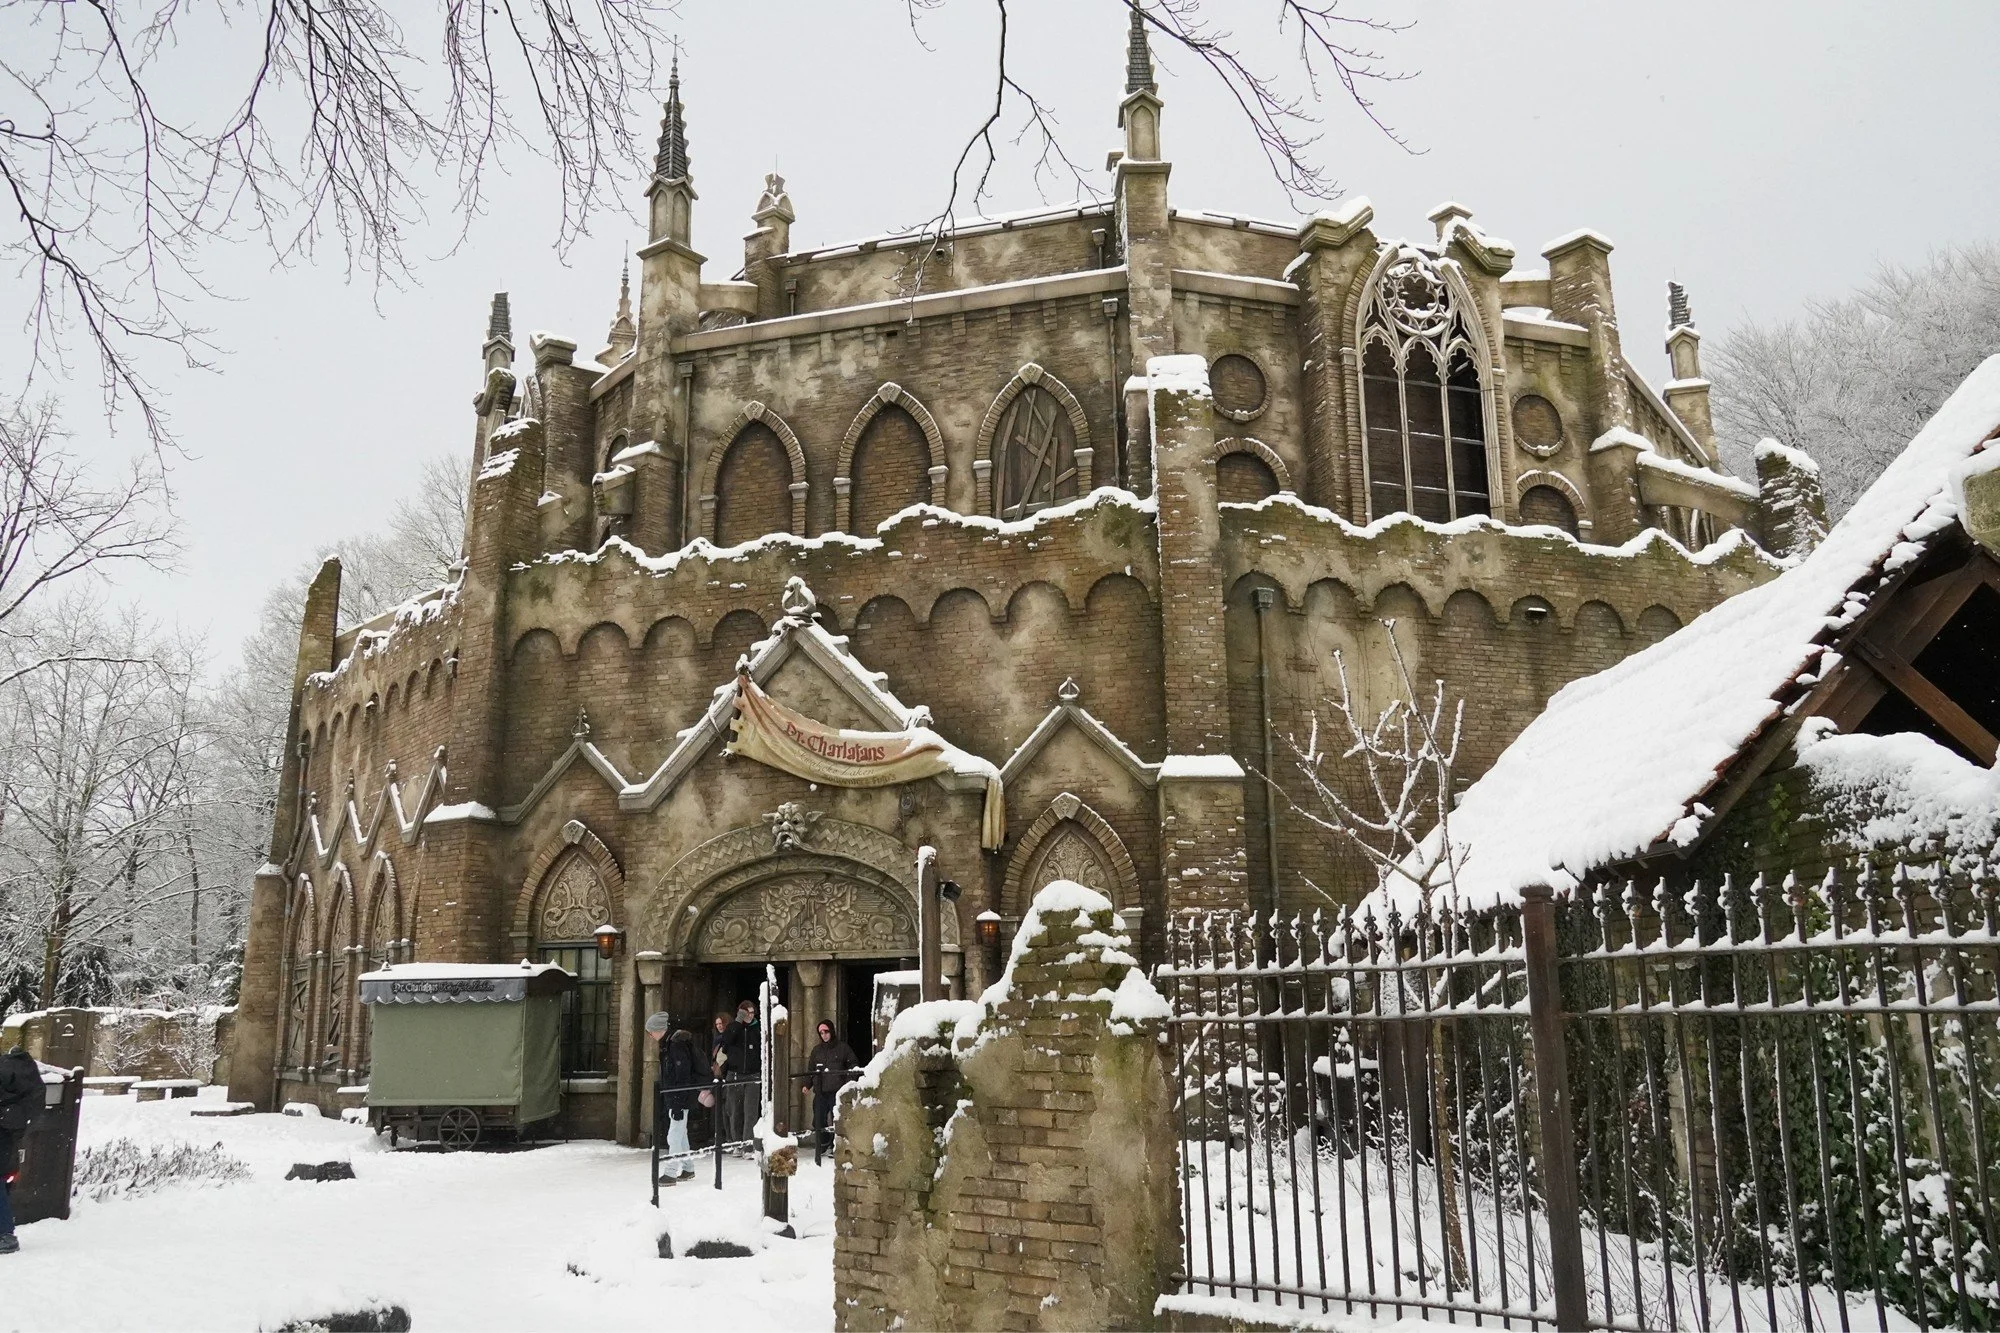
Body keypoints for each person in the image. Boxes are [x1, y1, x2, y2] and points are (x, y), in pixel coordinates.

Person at [0, 1044, 45, 1256]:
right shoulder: (21, 1076)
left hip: (4, 1131)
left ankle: (6, 1236)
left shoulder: (5, 1072)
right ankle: (6, 1233)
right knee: (2, 1182)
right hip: (9, 1134)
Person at [801, 1020, 858, 1161]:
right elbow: (811, 1070)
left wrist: (847, 1084)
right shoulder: (816, 1050)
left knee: (836, 1120)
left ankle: (835, 1145)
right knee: (818, 1120)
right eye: (821, 1033)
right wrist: (807, 1084)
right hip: (820, 1092)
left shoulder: (843, 1048)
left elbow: (853, 1065)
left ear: (831, 1031)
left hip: (837, 1091)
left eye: (826, 1031)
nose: (824, 1035)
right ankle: (824, 1142)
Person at [655, 1027, 703, 1183]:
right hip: (678, 1098)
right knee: (681, 1135)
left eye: (651, 1032)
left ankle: (670, 1172)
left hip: (679, 1099)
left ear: (659, 1030)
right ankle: (688, 1168)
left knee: (674, 1136)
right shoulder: (671, 1045)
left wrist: (677, 1103)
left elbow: (682, 1077)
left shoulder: (675, 1047)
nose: (650, 1035)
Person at [719, 1000, 761, 1151]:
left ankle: (748, 1146)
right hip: (735, 1074)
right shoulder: (733, 1027)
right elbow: (726, 1042)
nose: (749, 1016)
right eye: (746, 1013)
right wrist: (738, 1022)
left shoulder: (758, 1029)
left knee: (751, 1112)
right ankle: (736, 1144)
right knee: (735, 1111)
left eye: (752, 1013)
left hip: (753, 1074)